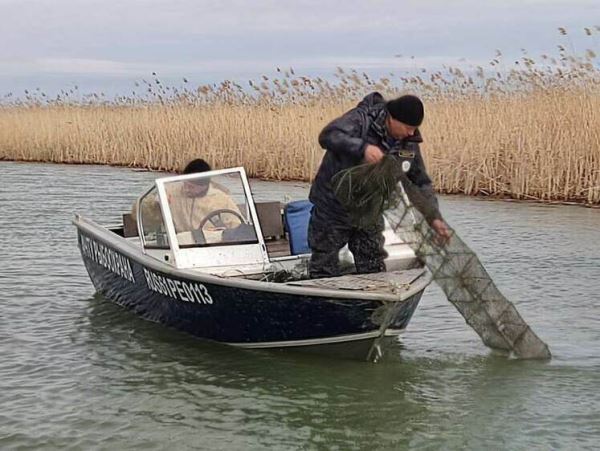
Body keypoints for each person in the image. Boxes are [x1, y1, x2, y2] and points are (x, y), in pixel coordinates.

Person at [308, 92, 451, 278]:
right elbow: (328, 136)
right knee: (324, 267)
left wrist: (434, 218)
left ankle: (372, 305)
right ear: (392, 119)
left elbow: (420, 183)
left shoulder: (408, 144)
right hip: (333, 208)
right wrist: (363, 148)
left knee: (373, 267)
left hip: (369, 212)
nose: (411, 133)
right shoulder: (361, 120)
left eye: (414, 128)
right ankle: (323, 304)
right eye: (408, 127)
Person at [133, 159, 246, 244]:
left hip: (211, 247)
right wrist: (155, 202)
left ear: (205, 185)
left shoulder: (221, 198)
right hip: (179, 246)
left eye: (191, 187)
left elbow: (238, 228)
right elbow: (137, 213)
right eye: (185, 184)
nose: (186, 189)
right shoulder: (170, 191)